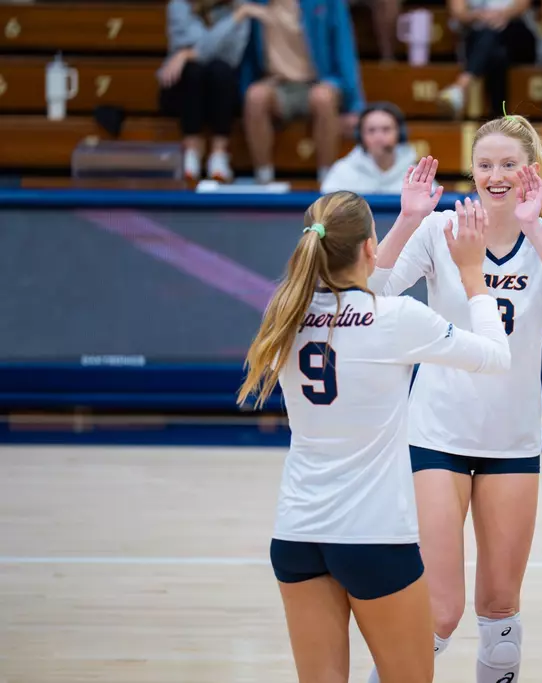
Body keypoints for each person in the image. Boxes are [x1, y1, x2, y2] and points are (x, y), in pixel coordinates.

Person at [364, 116, 542, 683]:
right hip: (436, 432)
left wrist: (536, 228)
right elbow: (372, 295)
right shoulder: (438, 229)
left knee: (499, 612)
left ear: (532, 171)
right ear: (470, 171)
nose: (495, 176)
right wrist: (406, 220)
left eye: (507, 164)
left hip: (513, 437)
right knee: (439, 614)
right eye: (484, 165)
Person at [236, 188, 512, 683]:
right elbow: (497, 356)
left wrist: (407, 221)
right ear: (370, 247)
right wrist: (473, 274)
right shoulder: (397, 319)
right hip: (373, 535)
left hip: (298, 531)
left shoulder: (284, 313)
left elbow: (354, 298)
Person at [239, 0, 365, 185]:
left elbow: (344, 47)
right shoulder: (256, 4)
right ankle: (263, 177)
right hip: (276, 84)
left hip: (317, 82)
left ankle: (327, 178)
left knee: (323, 98)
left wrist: (355, 105)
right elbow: (246, 57)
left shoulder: (328, 3)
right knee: (255, 96)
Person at [159, 0, 252, 182]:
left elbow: (232, 57)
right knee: (194, 70)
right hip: (181, 85)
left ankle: (219, 153)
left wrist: (187, 53)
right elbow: (204, 47)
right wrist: (233, 20)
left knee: (220, 70)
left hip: (221, 86)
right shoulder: (179, 6)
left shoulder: (240, 5)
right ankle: (191, 150)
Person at [320, 102, 417, 195]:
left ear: (400, 134)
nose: (378, 137)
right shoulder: (343, 171)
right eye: (371, 130)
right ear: (360, 136)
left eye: (386, 129)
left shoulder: (415, 173)